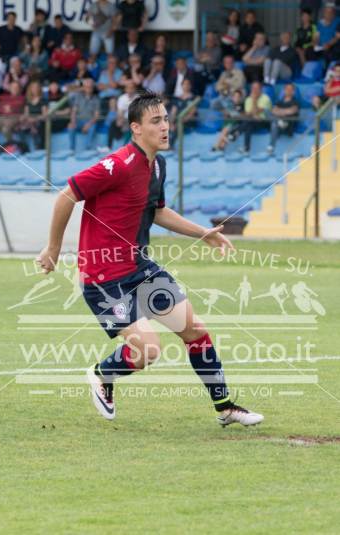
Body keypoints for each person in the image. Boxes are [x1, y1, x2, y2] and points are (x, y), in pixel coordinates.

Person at [37, 90, 264, 428]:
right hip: (103, 277)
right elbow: (67, 194)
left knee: (196, 332)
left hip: (139, 268)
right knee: (148, 350)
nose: (165, 127)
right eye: (156, 121)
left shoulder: (157, 165)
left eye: (167, 119)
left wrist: (203, 232)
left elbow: (156, 212)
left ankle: (225, 408)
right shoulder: (117, 165)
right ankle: (101, 375)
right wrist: (53, 248)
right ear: (135, 128)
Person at [0, 81, 25, 152]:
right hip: (2, 117)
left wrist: (11, 109)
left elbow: (22, 109)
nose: (14, 89)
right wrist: (3, 109)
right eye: (13, 87)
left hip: (15, 117)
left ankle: (11, 147)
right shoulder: (5, 97)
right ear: (10, 88)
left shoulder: (22, 97)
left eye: (16, 87)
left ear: (19, 89)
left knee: (5, 129)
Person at [240, 81, 272, 154]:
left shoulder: (265, 98)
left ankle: (236, 132)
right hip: (252, 121)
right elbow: (248, 114)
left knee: (248, 122)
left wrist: (254, 101)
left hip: (264, 122)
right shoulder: (248, 99)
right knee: (248, 124)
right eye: (253, 88)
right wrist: (253, 115)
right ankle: (246, 148)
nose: (254, 90)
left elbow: (256, 111)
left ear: (261, 89)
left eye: (256, 88)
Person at [68, 78, 100, 151]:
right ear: (84, 87)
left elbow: (96, 116)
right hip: (79, 121)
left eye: (91, 87)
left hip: (89, 121)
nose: (89, 88)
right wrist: (73, 122)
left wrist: (88, 124)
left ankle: (88, 148)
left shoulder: (96, 98)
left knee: (93, 127)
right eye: (87, 87)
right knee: (70, 126)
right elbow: (74, 111)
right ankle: (72, 149)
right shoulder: (78, 96)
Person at [267, 83, 300, 153]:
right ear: (284, 90)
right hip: (278, 125)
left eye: (290, 89)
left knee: (274, 122)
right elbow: (273, 110)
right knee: (268, 114)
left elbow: (292, 111)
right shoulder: (280, 101)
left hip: (288, 125)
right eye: (287, 89)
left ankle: (271, 146)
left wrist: (279, 112)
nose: (288, 91)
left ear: (293, 91)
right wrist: (284, 112)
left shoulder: (295, 101)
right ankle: (279, 122)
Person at [106, 79, 137, 148]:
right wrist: (120, 119)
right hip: (124, 118)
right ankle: (109, 146)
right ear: (126, 89)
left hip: (134, 119)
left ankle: (126, 146)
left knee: (133, 126)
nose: (130, 90)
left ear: (134, 89)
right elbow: (120, 111)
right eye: (128, 88)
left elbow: (139, 113)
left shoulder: (138, 98)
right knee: (113, 124)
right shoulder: (122, 98)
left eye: (132, 88)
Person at [18, 81, 47, 149]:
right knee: (20, 128)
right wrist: (23, 117)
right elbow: (26, 113)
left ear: (39, 89)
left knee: (35, 128)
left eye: (36, 87)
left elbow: (44, 115)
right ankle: (24, 148)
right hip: (30, 121)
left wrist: (35, 119)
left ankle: (39, 148)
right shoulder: (28, 100)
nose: (35, 89)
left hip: (40, 120)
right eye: (33, 88)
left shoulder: (43, 100)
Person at [168, 78, 197, 147]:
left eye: (188, 84)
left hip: (187, 120)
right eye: (184, 84)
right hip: (177, 119)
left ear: (190, 86)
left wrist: (180, 121)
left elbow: (192, 113)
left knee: (177, 126)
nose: (186, 86)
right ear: (181, 86)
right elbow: (173, 112)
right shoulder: (178, 98)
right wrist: (171, 122)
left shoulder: (193, 98)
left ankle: (170, 145)